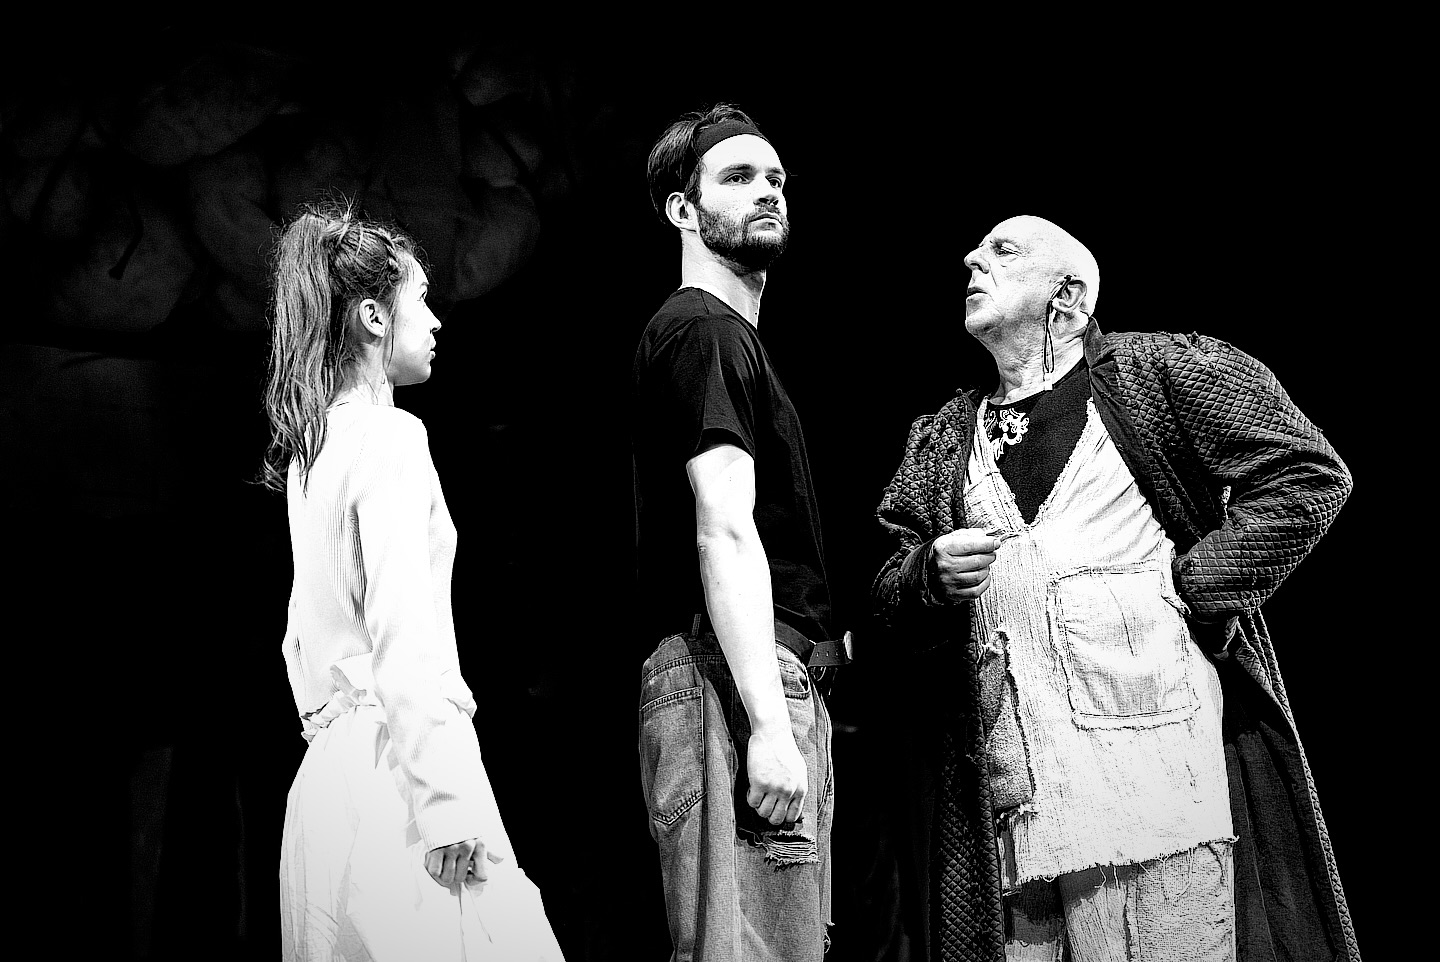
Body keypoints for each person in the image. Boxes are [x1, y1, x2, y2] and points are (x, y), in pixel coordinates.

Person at [871, 215, 1359, 961]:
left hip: (1156, 787)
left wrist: (1199, 584)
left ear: (1067, 296)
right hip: (1015, 811)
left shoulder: (1157, 374)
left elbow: (1309, 474)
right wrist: (926, 575)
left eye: (1004, 250)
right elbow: (889, 580)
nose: (972, 258)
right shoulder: (945, 435)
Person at [262, 200, 566, 961]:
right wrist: (446, 802)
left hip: (328, 786)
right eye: (420, 300)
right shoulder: (391, 437)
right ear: (372, 317)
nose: (434, 321)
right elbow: (401, 635)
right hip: (401, 780)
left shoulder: (311, 453)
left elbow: (298, 638)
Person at [630, 104, 850, 962]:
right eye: (738, 176)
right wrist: (768, 723)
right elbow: (722, 527)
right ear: (683, 210)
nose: (768, 191)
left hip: (739, 680)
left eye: (776, 178)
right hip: (730, 683)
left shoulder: (721, 340)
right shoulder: (706, 332)